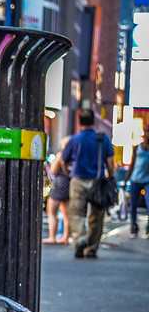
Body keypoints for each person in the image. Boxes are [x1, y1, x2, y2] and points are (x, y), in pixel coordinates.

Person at [58, 108, 115, 258]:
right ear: (93, 121)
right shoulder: (103, 139)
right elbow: (110, 163)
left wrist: (68, 173)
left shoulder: (74, 140)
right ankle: (91, 247)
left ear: (80, 121)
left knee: (76, 213)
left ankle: (80, 239)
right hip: (97, 181)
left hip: (78, 180)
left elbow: (63, 161)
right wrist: (110, 177)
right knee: (96, 215)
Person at [44, 142, 71, 245]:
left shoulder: (61, 155)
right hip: (69, 183)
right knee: (66, 215)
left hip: (59, 183)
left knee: (52, 212)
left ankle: (52, 237)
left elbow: (53, 170)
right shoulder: (74, 155)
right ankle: (66, 237)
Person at [127, 127, 149, 238]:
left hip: (147, 181)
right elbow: (132, 164)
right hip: (135, 180)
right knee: (133, 206)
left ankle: (148, 228)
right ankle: (133, 228)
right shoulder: (137, 147)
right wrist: (127, 178)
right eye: (146, 132)